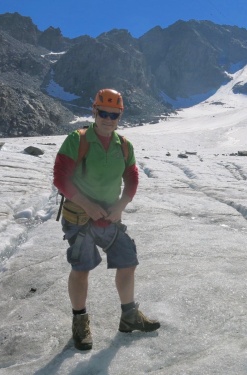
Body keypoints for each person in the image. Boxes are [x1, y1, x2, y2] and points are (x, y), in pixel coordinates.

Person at [53, 88, 160, 351]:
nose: (108, 119)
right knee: (81, 269)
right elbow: (60, 177)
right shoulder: (77, 140)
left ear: (120, 115)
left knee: (128, 260)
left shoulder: (123, 145)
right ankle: (80, 321)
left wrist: (121, 205)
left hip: (109, 218)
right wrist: (87, 205)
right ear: (94, 111)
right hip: (79, 218)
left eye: (114, 114)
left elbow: (132, 176)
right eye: (103, 112)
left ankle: (129, 317)